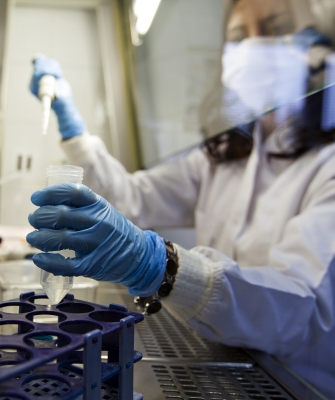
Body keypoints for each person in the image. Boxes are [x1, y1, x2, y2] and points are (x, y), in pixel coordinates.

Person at [27, 0, 335, 396]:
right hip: (221, 364)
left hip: (297, 383)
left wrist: (163, 267)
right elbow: (131, 198)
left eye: (275, 29)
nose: (256, 48)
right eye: (240, 37)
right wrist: (74, 130)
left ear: (320, 46)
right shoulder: (226, 155)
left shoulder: (326, 166)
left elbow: (300, 312)